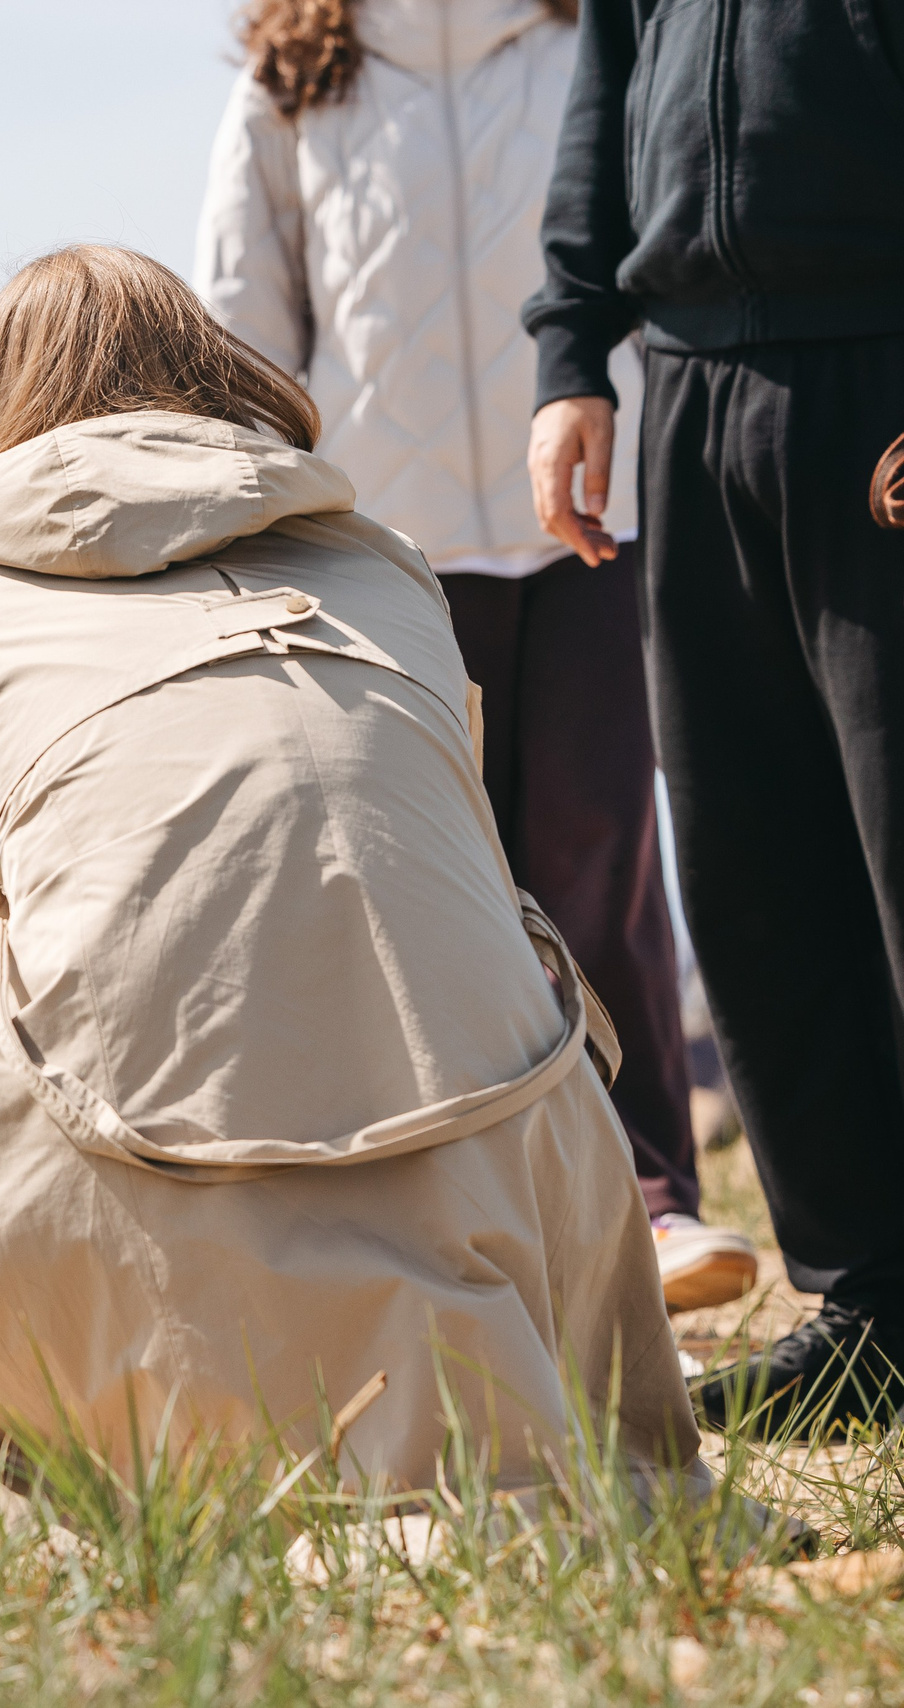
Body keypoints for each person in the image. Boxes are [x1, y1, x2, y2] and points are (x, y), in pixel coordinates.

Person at [0, 247, 702, 1498]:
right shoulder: (386, 561)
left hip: (129, 1168)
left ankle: (60, 1439)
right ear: (206, 368)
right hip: (485, 1141)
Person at [192, 0, 756, 1315]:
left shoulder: (590, 40)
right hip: (378, 553)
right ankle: (462, 1227)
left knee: (596, 849)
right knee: (417, 891)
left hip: (598, 520)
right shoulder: (294, 75)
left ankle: (652, 1201)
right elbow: (242, 329)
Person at [524, 0, 904, 1433]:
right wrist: (573, 353)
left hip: (881, 367)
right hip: (688, 385)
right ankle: (868, 1307)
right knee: (751, 871)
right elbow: (605, 84)